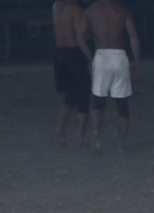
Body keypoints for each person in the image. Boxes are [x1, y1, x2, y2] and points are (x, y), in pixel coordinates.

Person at [77, 0, 140, 150]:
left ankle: (96, 131)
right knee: (122, 103)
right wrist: (137, 62)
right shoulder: (122, 9)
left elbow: (80, 38)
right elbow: (133, 36)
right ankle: (122, 143)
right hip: (119, 55)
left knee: (98, 100)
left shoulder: (90, 10)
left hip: (101, 56)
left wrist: (91, 58)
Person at [53, 0, 91, 148]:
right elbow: (80, 36)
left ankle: (61, 126)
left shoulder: (56, 5)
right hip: (74, 54)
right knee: (83, 96)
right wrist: (95, 32)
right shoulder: (76, 9)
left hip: (59, 54)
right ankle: (79, 138)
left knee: (70, 95)